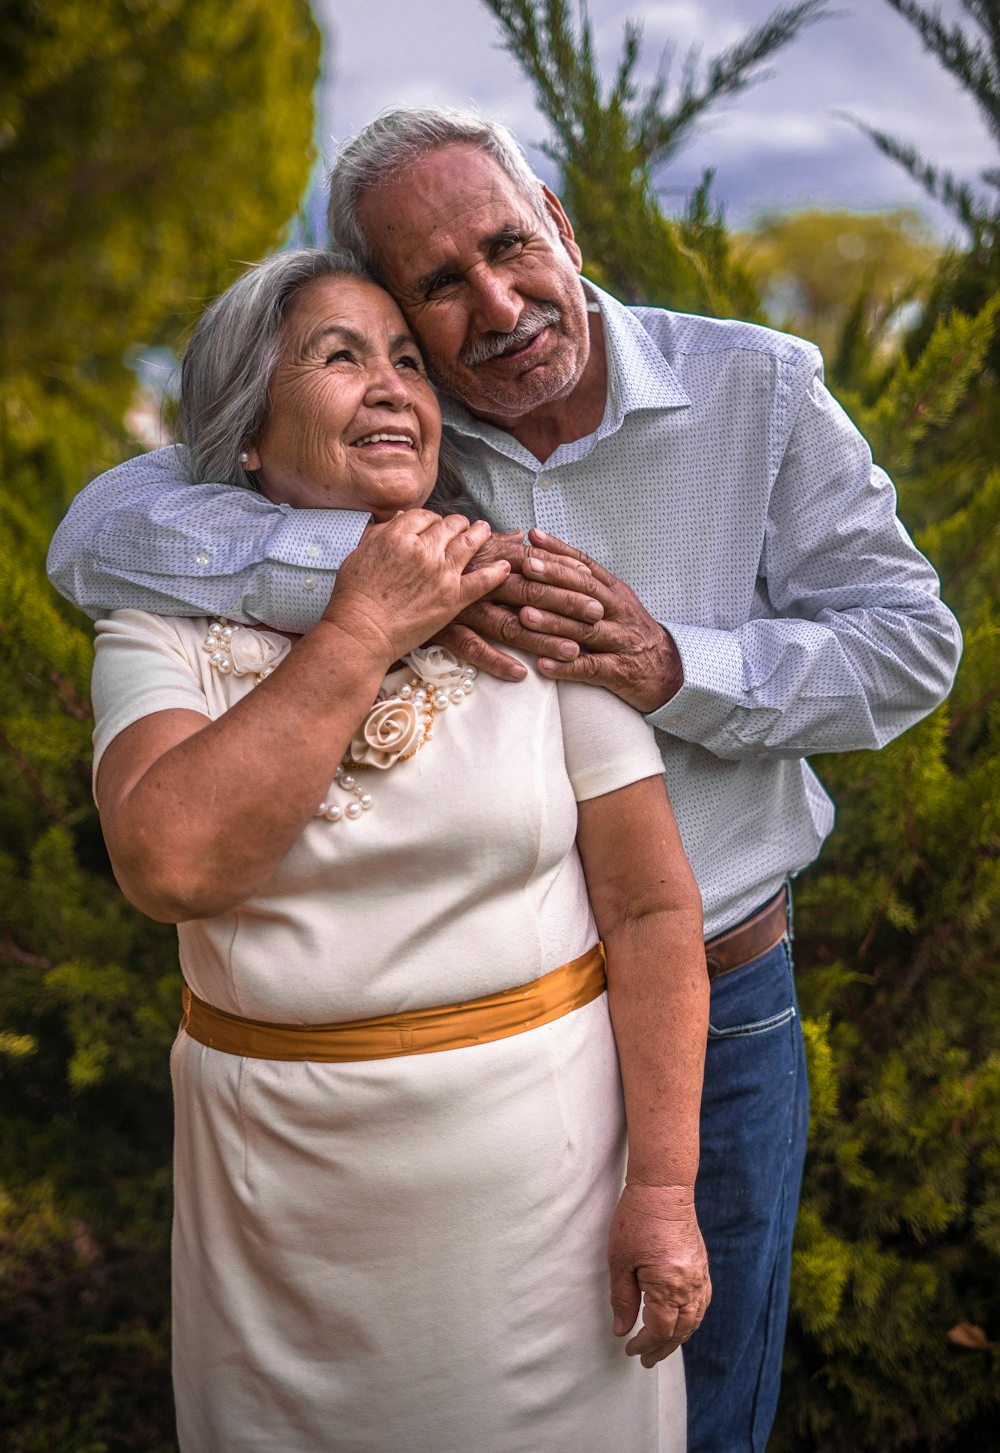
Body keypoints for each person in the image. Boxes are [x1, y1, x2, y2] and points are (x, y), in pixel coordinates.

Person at [48, 109, 963, 1452]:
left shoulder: (759, 391)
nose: (494, 307)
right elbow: (106, 534)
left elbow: (909, 643)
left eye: (507, 246)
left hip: (706, 970)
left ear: (559, 222)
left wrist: (666, 660)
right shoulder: (430, 426)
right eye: (434, 292)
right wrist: (393, 584)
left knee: (685, 1389)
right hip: (457, 1058)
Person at [87, 246, 710, 1452]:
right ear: (247, 436)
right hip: (277, 1218)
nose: (393, 387)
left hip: (547, 1207)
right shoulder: (154, 628)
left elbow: (647, 912)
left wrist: (665, 1195)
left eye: (409, 362)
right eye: (338, 357)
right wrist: (361, 625)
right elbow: (170, 866)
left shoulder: (522, 598)